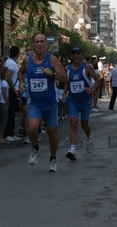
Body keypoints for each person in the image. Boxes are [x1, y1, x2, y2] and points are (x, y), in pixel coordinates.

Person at [18, 34, 68, 172]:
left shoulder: (52, 59)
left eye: (42, 42)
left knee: (52, 132)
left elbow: (64, 77)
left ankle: (53, 158)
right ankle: (35, 147)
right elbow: (20, 72)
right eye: (37, 42)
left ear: (46, 45)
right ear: (33, 44)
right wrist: (22, 82)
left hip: (50, 103)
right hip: (35, 102)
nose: (39, 44)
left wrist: (52, 74)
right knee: (32, 128)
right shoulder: (28, 60)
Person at [62, 47, 100, 161]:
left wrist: (92, 89)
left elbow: (98, 80)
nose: (76, 56)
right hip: (73, 100)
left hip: (85, 101)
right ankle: (72, 150)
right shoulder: (67, 68)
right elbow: (66, 83)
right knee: (74, 123)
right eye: (74, 54)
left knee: (84, 125)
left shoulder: (87, 67)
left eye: (78, 54)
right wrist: (64, 94)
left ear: (81, 55)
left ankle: (88, 138)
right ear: (71, 56)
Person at [3, 46, 22, 142]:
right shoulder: (12, 64)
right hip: (11, 90)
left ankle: (11, 131)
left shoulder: (8, 62)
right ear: (18, 54)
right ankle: (8, 133)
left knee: (12, 112)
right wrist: (15, 90)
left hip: (11, 89)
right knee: (10, 112)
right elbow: (9, 77)